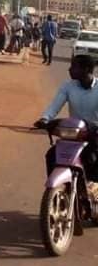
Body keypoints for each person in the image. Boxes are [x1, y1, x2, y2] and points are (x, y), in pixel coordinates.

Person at [34, 55, 98, 186]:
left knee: (93, 160)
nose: (69, 69)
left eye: (74, 66)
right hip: (75, 134)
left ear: (86, 69)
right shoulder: (67, 86)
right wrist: (45, 119)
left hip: (95, 134)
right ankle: (61, 190)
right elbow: (55, 105)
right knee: (52, 155)